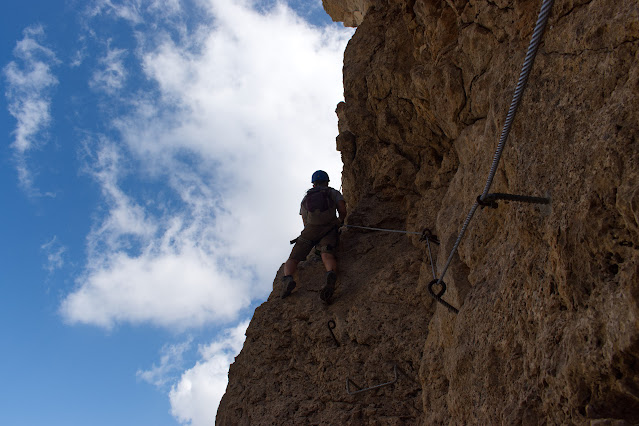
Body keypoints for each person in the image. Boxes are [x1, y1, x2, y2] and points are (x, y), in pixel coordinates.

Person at [281, 170, 347, 303]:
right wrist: (340, 221)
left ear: (313, 185)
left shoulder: (306, 198)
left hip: (310, 230)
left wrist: (309, 233)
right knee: (327, 254)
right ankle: (330, 274)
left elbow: (305, 219)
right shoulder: (332, 192)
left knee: (293, 258)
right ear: (327, 182)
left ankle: (288, 278)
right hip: (329, 228)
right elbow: (342, 209)